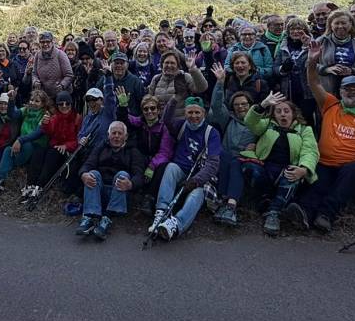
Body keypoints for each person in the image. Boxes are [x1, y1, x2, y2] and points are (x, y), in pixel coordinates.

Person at [293, 38, 355, 232]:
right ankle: (302, 214)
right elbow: (313, 82)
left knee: (349, 175)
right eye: (348, 89)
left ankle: (326, 215)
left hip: (350, 164)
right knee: (319, 183)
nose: (352, 93)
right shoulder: (331, 104)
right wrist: (312, 61)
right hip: (325, 161)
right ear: (341, 91)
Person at [242, 91, 320, 236]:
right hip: (265, 165)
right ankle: (263, 199)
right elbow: (250, 122)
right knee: (249, 168)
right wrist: (263, 105)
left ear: (293, 114)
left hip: (287, 169)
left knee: (292, 176)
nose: (283, 114)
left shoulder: (304, 129)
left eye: (286, 111)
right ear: (274, 115)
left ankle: (274, 213)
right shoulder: (267, 125)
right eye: (278, 111)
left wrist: (303, 169)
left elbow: (310, 151)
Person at [149, 97, 222, 241]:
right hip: (181, 169)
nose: (193, 116)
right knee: (170, 168)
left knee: (198, 194)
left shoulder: (211, 133)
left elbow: (213, 164)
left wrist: (196, 180)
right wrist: (174, 101)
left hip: (199, 177)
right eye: (190, 112)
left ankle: (175, 224)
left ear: (203, 113)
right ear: (185, 113)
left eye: (197, 112)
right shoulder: (181, 125)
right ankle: (161, 212)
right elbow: (166, 120)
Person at [75, 121, 147, 240]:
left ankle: (107, 219)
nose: (117, 136)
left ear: (126, 136)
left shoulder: (133, 151)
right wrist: (83, 174)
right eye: (114, 133)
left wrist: (131, 184)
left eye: (120, 133)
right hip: (100, 192)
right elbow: (87, 164)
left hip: (120, 194)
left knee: (122, 175)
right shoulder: (101, 147)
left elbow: (139, 175)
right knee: (92, 173)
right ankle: (89, 217)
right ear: (108, 135)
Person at [208, 67, 258, 227]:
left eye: (244, 104)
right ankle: (225, 201)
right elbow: (216, 106)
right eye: (237, 105)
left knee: (236, 162)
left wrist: (257, 146)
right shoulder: (228, 119)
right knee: (225, 157)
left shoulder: (257, 122)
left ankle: (230, 206)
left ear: (250, 105)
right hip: (227, 157)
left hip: (247, 160)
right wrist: (220, 82)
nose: (241, 107)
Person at [311, 9, 355, 96]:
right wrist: (326, 69)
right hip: (328, 91)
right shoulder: (321, 41)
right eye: (336, 23)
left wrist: (352, 71)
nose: (340, 26)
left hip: (354, 91)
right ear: (330, 25)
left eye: (343, 23)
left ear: (351, 24)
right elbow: (309, 65)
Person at [32, 31, 74, 99]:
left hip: (61, 95)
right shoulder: (37, 55)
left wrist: (62, 85)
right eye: (42, 42)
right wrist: (35, 81)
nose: (45, 44)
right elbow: (34, 73)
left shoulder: (60, 54)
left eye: (47, 41)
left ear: (52, 42)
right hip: (44, 95)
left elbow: (69, 74)